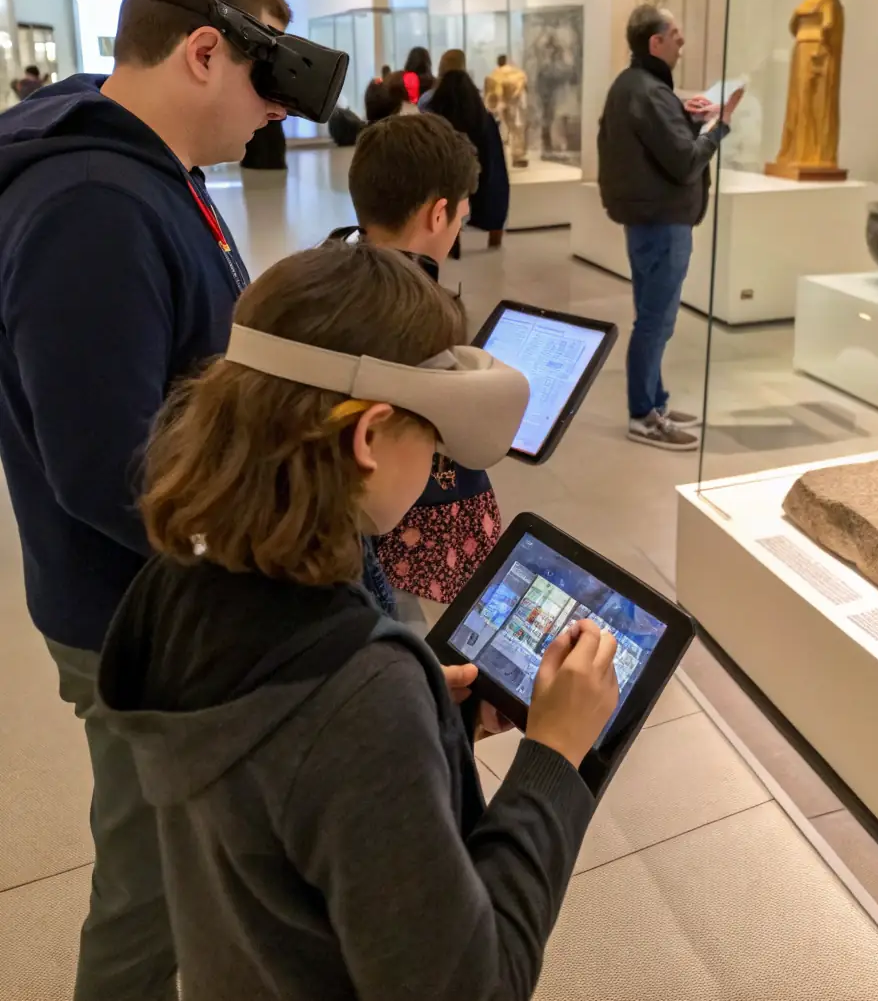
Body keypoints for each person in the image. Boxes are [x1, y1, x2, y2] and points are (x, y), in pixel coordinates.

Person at [96, 243, 618, 1000]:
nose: (435, 463)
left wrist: (432, 726)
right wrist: (553, 758)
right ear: (368, 437)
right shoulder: (360, 698)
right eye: (432, 439)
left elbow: (284, 790)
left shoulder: (179, 585)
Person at [0, 0, 292, 1001]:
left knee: (179, 869)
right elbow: (101, 464)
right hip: (135, 609)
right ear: (205, 53)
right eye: (266, 85)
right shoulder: (96, 205)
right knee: (151, 886)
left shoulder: (148, 170)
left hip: (158, 593)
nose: (276, 113)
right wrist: (256, 551)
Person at [342, 112, 503, 620]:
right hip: (411, 528)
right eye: (460, 217)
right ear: (439, 215)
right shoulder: (420, 310)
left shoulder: (332, 268)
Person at [597, 4, 743, 451]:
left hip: (649, 219)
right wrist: (718, 128)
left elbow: (659, 145)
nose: (682, 40)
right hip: (661, 221)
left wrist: (689, 119)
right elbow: (683, 162)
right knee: (655, 321)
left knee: (653, 318)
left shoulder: (634, 86)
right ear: (654, 42)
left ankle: (654, 402)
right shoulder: (648, 91)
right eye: (674, 33)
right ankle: (643, 416)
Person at [427, 67, 510, 250]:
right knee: (494, 186)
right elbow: (494, 158)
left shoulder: (438, 120)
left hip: (448, 170)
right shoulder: (483, 119)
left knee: (449, 194)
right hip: (480, 166)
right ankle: (494, 239)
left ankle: (452, 239)